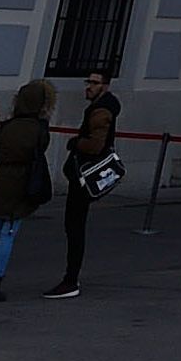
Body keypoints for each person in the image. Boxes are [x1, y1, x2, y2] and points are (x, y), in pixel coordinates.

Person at [0, 78, 58, 303]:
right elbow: (40, 149)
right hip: (21, 181)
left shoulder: (8, 127)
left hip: (3, 179)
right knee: (8, 234)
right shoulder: (37, 130)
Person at [48, 66, 122, 302]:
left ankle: (71, 279)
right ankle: (70, 278)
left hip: (84, 175)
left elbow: (95, 145)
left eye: (94, 82)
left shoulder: (101, 111)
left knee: (75, 227)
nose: (88, 86)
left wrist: (75, 143)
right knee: (74, 226)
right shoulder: (102, 108)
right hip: (84, 174)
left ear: (105, 86)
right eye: (88, 82)